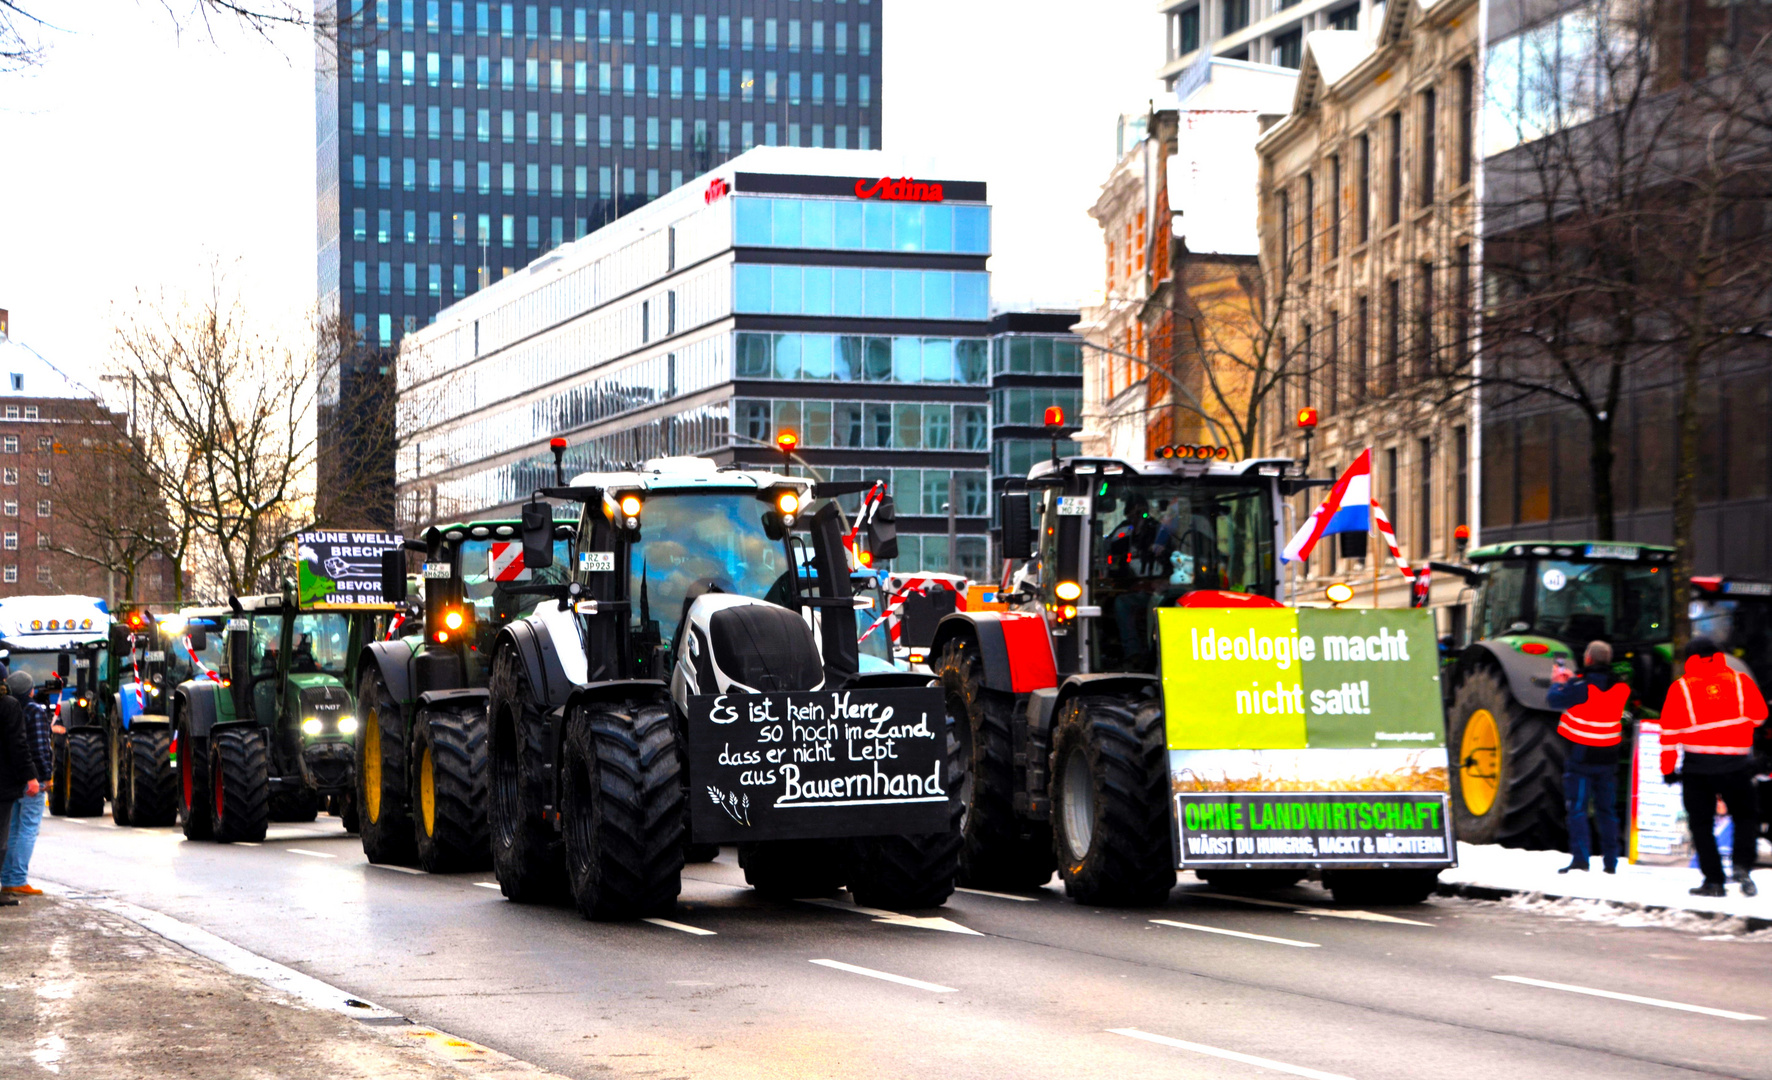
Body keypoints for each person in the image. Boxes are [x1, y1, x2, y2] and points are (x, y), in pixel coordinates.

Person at [1658, 638, 1767, 897]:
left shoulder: (1681, 688)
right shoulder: (1741, 682)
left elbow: (1669, 735)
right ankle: (1741, 864)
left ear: (1690, 658)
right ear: (1719, 656)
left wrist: (1668, 769)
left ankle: (1714, 881)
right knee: (1745, 817)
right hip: (1737, 766)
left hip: (1698, 769)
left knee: (1701, 824)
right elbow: (1760, 717)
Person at [1546, 641, 1628, 874]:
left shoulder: (1581, 687)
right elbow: (1596, 691)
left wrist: (1558, 682)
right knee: (1607, 812)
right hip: (1608, 759)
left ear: (1589, 659)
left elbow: (1554, 700)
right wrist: (1574, 679)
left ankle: (1581, 860)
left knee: (1578, 810)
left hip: (1581, 758)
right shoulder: (1621, 687)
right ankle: (1611, 862)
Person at [0, 662, 42, 909]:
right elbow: (19, 745)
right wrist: (31, 776)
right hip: (4, 783)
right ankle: (7, 885)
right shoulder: (8, 706)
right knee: (2, 838)